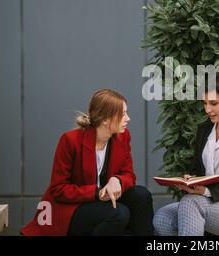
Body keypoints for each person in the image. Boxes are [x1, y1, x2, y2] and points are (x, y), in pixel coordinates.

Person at [21, 89, 154, 236]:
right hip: (75, 207)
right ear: (105, 119)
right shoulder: (70, 140)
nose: (128, 118)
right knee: (119, 214)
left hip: (106, 202)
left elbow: (129, 175)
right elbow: (58, 189)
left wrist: (117, 180)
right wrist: (97, 193)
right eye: (123, 114)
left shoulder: (123, 137)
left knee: (142, 195)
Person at [153, 82, 219, 236]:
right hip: (207, 202)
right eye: (205, 103)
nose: (207, 110)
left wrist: (207, 191)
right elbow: (198, 169)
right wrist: (191, 179)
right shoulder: (204, 130)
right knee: (162, 217)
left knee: (191, 202)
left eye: (214, 103)